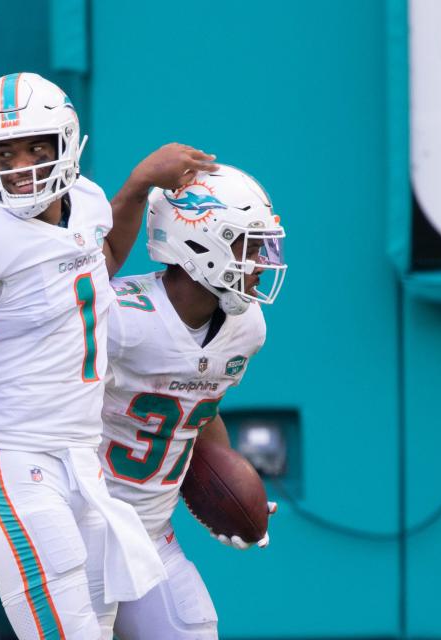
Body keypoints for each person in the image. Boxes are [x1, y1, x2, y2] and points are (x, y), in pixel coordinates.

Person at [0, 71, 217, 639]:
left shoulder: (88, 204)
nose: (22, 164)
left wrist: (141, 181)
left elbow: (100, 261)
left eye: (35, 147)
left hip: (81, 465)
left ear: (65, 145)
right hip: (13, 465)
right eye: (4, 152)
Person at [101, 166, 286, 639]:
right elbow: (28, 392)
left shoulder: (247, 329)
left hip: (150, 534)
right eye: (248, 245)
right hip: (79, 529)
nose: (261, 262)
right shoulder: (119, 319)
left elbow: (201, 409)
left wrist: (226, 489)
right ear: (199, 243)